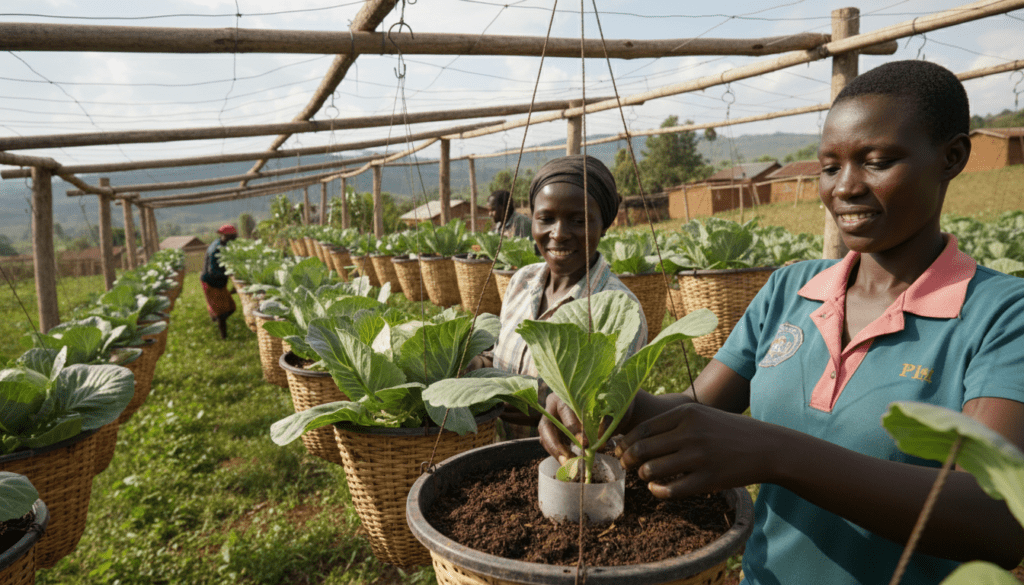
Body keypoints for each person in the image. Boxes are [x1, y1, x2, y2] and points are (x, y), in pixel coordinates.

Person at [541, 61, 1024, 584]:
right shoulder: (790, 289)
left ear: (952, 157)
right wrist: (621, 406)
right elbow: (699, 406)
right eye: (829, 167)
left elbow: (996, 518)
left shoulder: (1000, 314)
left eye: (877, 161)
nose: (845, 187)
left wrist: (774, 452)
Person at [469, 155, 648, 436]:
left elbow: (611, 411)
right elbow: (502, 357)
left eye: (578, 220)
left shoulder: (619, 310)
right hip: (498, 461)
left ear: (605, 224)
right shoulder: (521, 281)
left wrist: (538, 406)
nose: (559, 233)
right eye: (546, 219)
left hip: (569, 470)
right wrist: (477, 364)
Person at [201, 224, 238, 340]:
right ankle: (224, 338)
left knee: (231, 308)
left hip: (219, 283)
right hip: (211, 282)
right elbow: (212, 271)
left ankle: (215, 315)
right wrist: (229, 273)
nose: (235, 239)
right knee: (222, 313)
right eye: (234, 237)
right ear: (227, 236)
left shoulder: (222, 244)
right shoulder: (215, 249)